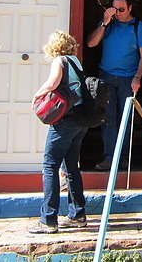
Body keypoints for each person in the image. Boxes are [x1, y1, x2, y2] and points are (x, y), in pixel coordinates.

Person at [28, 30, 88, 234]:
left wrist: (37, 95)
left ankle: (48, 219)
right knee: (71, 166)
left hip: (65, 121)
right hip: (80, 119)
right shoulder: (75, 61)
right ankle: (78, 214)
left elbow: (53, 83)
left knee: (50, 164)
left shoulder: (59, 61)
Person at [86, 0, 142, 171]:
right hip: (106, 76)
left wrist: (137, 77)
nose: (118, 13)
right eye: (115, 10)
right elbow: (91, 43)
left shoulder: (139, 27)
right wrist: (104, 22)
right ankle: (109, 157)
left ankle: (123, 158)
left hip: (127, 79)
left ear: (130, 8)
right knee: (107, 119)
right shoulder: (108, 25)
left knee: (125, 119)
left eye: (121, 10)